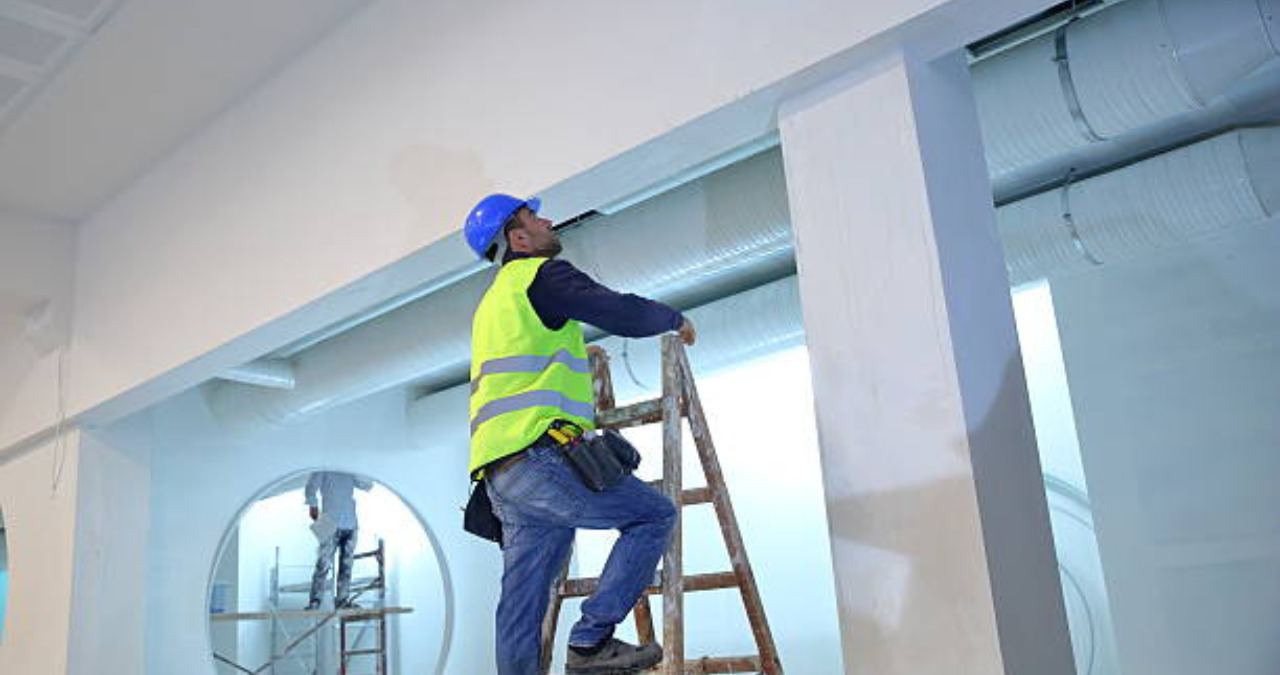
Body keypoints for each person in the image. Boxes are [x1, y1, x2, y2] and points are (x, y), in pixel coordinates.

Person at [464, 193, 696, 675]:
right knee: (653, 516)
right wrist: (672, 319)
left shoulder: (493, 302)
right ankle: (590, 642)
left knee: (521, 605)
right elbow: (617, 311)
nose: (548, 220)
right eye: (534, 217)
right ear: (519, 238)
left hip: (499, 475)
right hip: (539, 457)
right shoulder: (540, 276)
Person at [304, 471, 373, 610]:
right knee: (323, 563)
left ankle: (342, 600)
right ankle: (315, 601)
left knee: (346, 565)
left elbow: (367, 485)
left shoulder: (350, 470)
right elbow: (310, 487)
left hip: (350, 523)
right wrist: (313, 505)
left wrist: (359, 467)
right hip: (329, 521)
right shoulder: (324, 468)